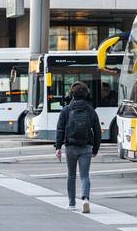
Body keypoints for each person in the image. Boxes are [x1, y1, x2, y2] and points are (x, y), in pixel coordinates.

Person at [55, 81, 101, 213]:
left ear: (71, 94)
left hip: (71, 147)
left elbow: (60, 130)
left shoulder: (66, 110)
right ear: (86, 94)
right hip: (86, 147)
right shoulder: (91, 110)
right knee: (85, 175)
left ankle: (71, 204)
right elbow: (97, 131)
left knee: (71, 175)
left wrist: (58, 147)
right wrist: (95, 149)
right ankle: (85, 199)